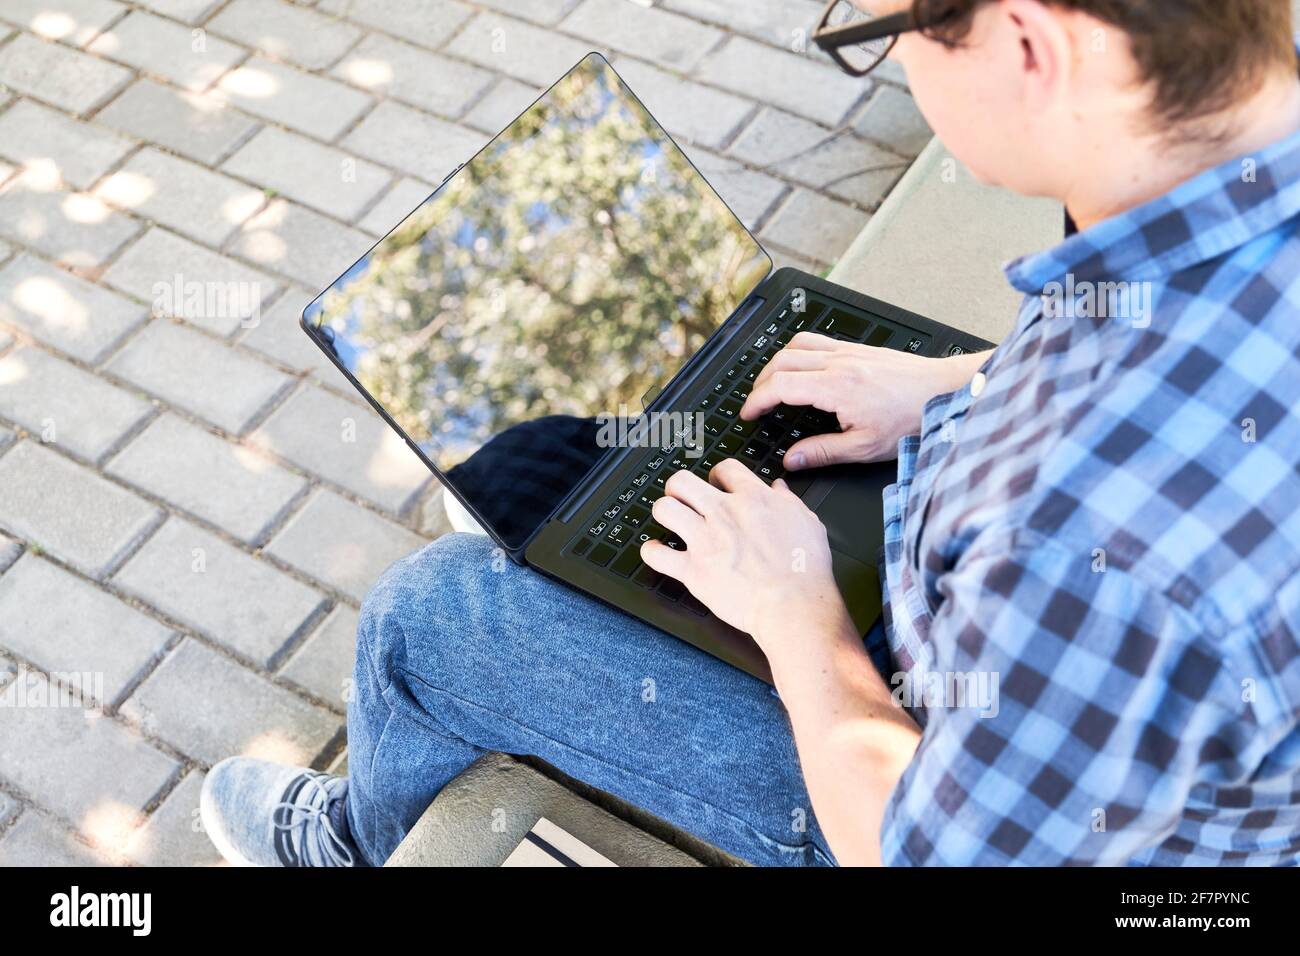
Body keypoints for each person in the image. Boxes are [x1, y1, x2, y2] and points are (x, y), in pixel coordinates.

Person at [200, 0, 1300, 866]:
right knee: (543, 471)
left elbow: (922, 847)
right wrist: (961, 386)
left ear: (1027, 44)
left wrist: (798, 614)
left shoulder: (1085, 535)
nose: (900, 67)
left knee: (429, 613)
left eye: (884, 31)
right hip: (1075, 688)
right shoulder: (1224, 186)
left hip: (926, 777)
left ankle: (356, 843)